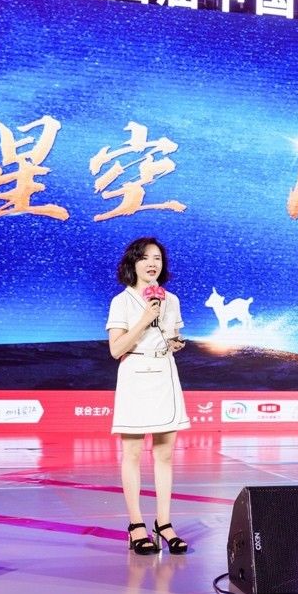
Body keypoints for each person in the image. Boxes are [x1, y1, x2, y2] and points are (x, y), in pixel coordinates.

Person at [106, 237, 190, 555]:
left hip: (164, 374)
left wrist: (175, 343)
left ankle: (164, 523)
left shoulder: (172, 300)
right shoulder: (122, 301)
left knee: (164, 454)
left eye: (157, 258)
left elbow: (172, 338)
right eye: (144, 258)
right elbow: (116, 349)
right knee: (132, 454)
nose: (152, 263)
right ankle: (136, 525)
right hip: (135, 375)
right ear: (133, 263)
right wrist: (144, 319)